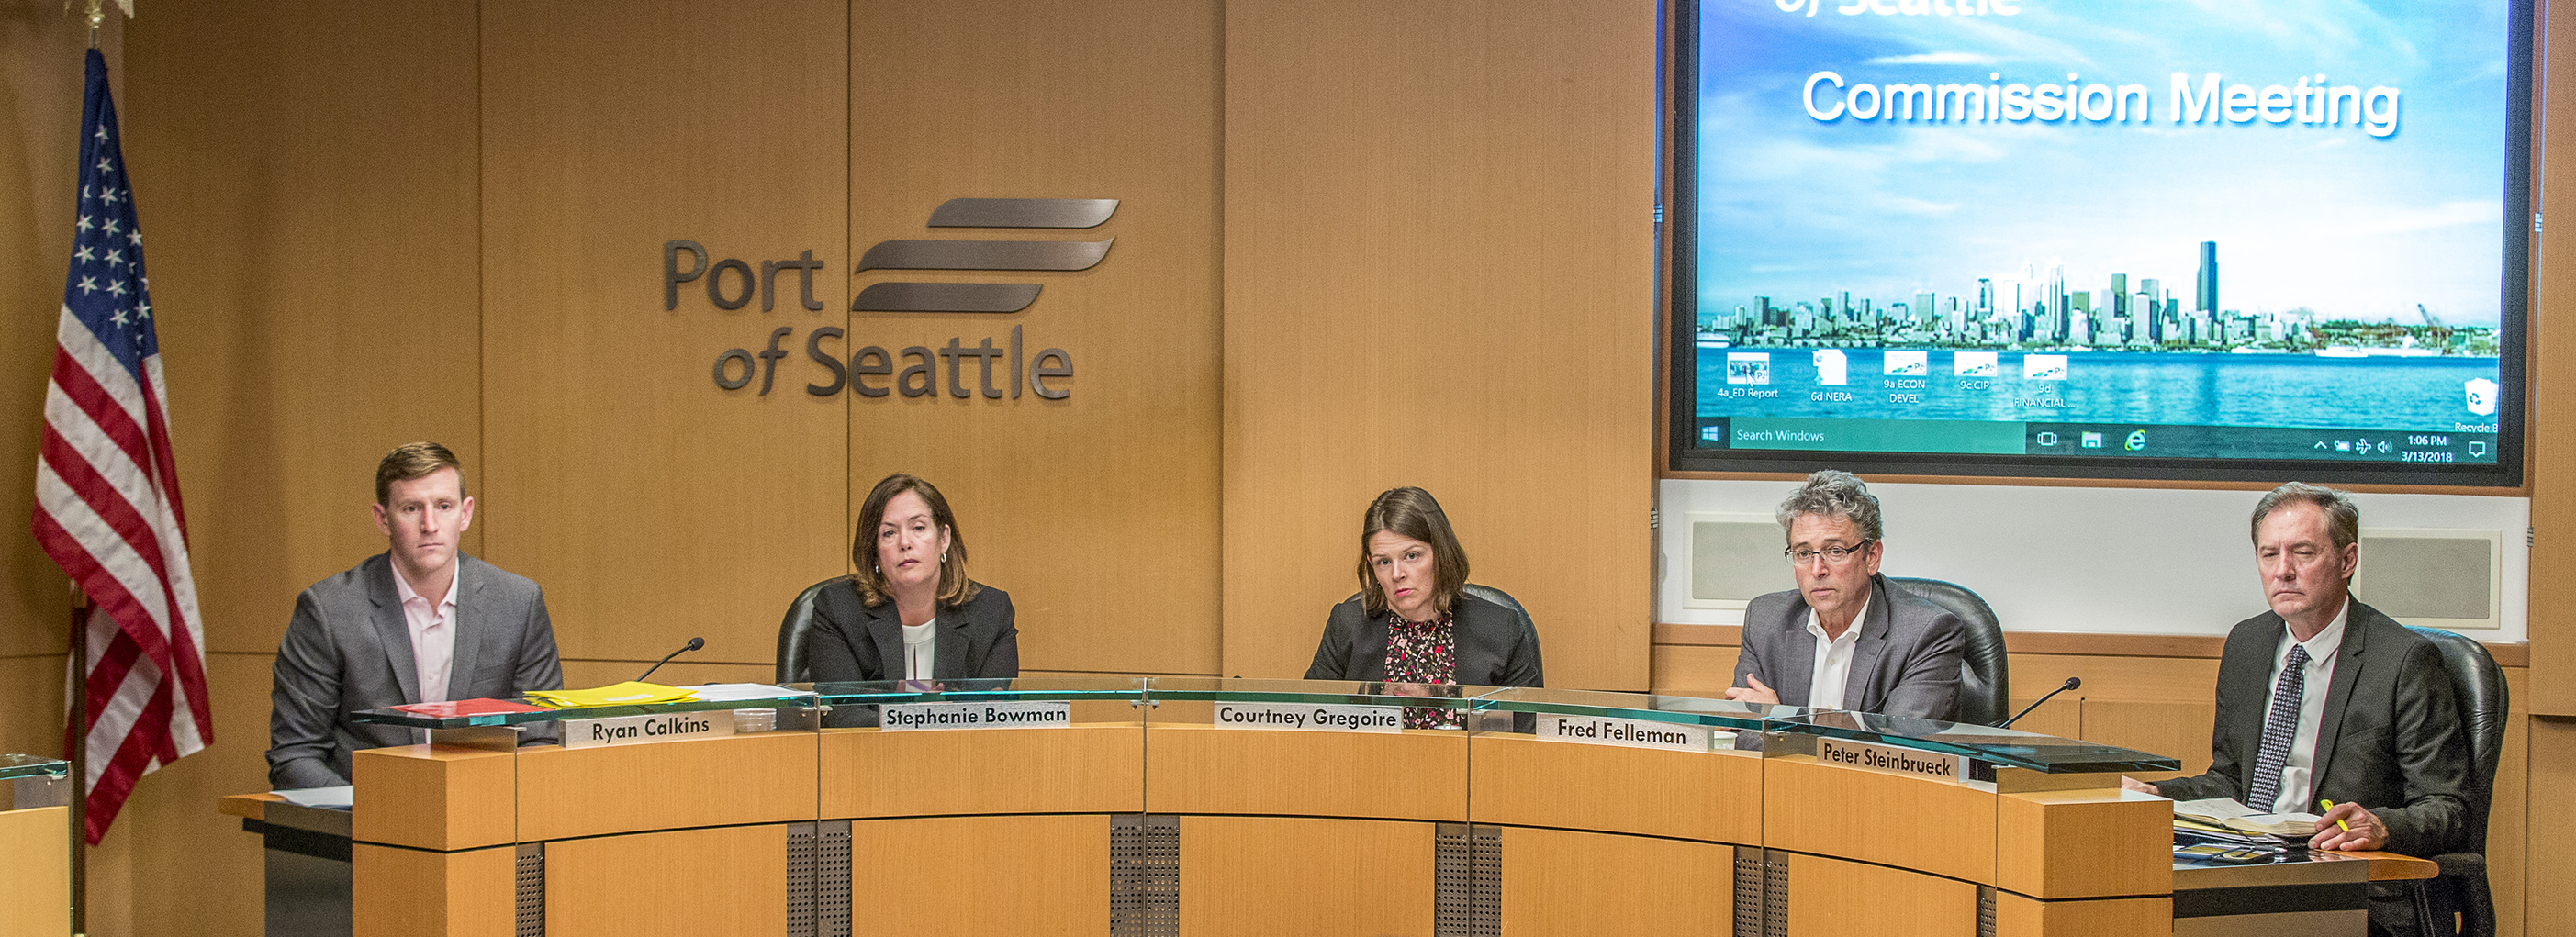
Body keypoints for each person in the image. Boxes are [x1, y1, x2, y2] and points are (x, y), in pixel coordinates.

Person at [2124, 483, 2470, 937]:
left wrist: (2381, 826)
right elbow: (2231, 780)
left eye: (2302, 553)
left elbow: (2448, 807)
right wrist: (2157, 796)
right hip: (2245, 869)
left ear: (2347, 561)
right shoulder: (2247, 644)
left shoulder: (2403, 660)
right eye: (2270, 556)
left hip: (2349, 891)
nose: (2283, 571)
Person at [268, 442, 563, 789]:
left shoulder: (517, 603)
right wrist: (377, 817)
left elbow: (537, 740)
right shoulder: (329, 610)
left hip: (482, 817)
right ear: (383, 519)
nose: (430, 524)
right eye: (411, 508)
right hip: (362, 823)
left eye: (443, 506)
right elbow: (295, 754)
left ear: (465, 513)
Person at [1723, 470, 1966, 720]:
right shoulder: (1765, 622)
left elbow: (1899, 750)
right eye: (1804, 553)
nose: (1817, 570)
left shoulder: (1926, 633)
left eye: (1835, 551)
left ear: (1872, 557)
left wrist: (1782, 721)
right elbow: (1745, 734)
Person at [1305, 487, 1543, 728]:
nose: (1397, 574)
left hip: (1471, 764)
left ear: (1440, 553)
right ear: (1371, 565)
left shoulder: (1501, 629)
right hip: (1369, 763)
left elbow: (1528, 737)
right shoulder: (1347, 624)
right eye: (1384, 562)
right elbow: (1308, 721)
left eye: (1411, 556)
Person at [801, 474, 1019, 686]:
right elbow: (840, 713)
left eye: (918, 528)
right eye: (889, 533)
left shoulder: (991, 611)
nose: (904, 542)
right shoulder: (838, 610)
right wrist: (920, 715)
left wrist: (938, 717)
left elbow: (991, 712)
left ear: (943, 538)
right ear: (874, 550)